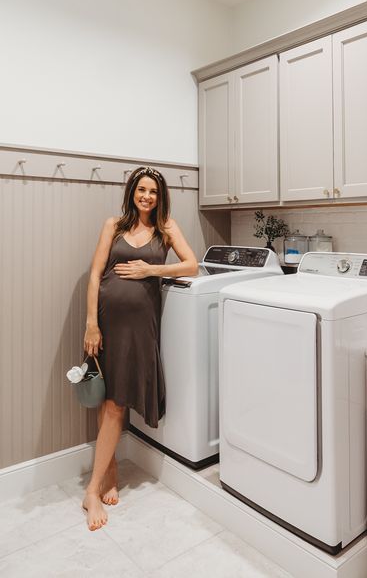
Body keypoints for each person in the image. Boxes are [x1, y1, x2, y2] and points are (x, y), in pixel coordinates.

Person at [82, 166, 198, 531]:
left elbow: (192, 266)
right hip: (105, 323)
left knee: (117, 402)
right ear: (132, 191)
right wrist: (90, 323)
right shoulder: (112, 226)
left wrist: (151, 271)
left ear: (160, 197)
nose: (147, 196)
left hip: (139, 329)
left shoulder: (167, 229)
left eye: (153, 192)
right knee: (106, 398)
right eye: (141, 189)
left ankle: (92, 488)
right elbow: (96, 274)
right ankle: (107, 476)